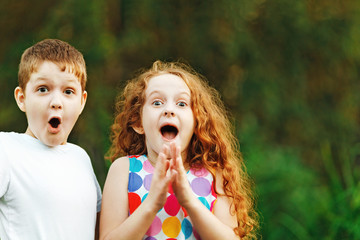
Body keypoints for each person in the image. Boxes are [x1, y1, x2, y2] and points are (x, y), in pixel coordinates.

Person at [100, 60, 258, 240]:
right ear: (137, 121)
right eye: (157, 102)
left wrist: (188, 200)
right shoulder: (124, 170)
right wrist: (151, 204)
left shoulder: (214, 174)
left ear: (197, 121)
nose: (169, 110)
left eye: (181, 104)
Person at [0, 39, 102, 240]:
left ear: (82, 102)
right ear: (22, 99)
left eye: (68, 92)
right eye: (43, 89)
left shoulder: (81, 158)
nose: (56, 102)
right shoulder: (6, 149)